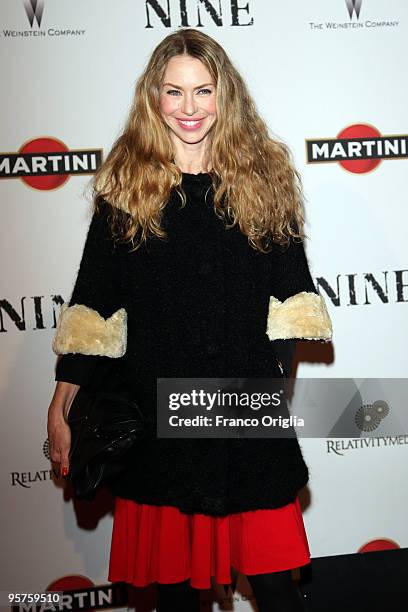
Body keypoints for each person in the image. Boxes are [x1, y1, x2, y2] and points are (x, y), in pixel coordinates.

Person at [47, 28, 332, 612]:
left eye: (203, 91)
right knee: (177, 596)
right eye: (174, 92)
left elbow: (290, 304)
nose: (190, 109)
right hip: (157, 417)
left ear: (226, 96)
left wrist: (264, 398)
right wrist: (61, 402)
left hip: (243, 413)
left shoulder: (264, 184)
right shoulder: (126, 191)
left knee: (277, 587)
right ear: (154, 97)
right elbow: (96, 309)